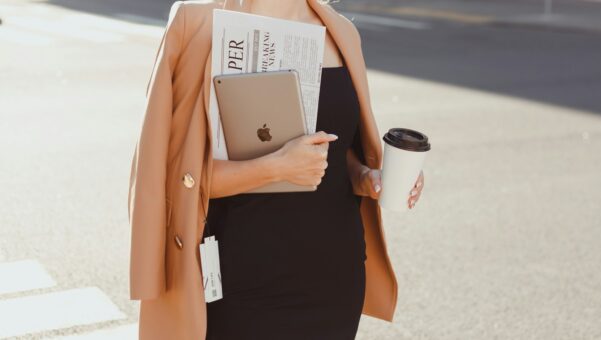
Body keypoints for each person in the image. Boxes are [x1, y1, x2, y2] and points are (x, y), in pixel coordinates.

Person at [128, 1, 425, 339]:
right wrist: (275, 168)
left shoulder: (342, 31)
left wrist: (367, 178)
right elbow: (172, 177)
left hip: (333, 277)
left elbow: (340, 152)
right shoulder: (195, 22)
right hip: (240, 281)